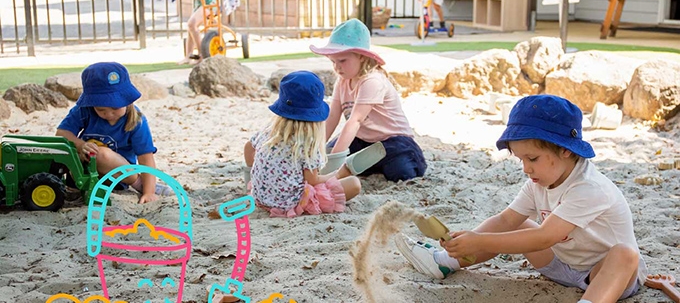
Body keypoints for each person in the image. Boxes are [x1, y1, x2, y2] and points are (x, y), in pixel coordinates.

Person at [395, 95, 647, 303]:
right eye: (520, 160)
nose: (526, 168)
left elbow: (545, 237)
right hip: (561, 266)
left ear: (566, 151)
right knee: (518, 224)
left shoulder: (590, 188)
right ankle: (443, 263)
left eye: (533, 159)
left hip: (607, 275)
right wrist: (467, 243)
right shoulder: (537, 182)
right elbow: (506, 220)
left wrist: (480, 241)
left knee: (625, 254)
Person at [309, 19, 427, 182]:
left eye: (342, 61)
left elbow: (355, 120)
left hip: (393, 140)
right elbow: (332, 117)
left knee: (401, 172)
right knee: (329, 152)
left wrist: (335, 160)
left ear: (362, 57)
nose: (337, 67)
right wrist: (318, 148)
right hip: (362, 140)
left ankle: (381, 164)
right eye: (333, 62)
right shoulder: (342, 81)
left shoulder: (372, 80)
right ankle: (367, 164)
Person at [244, 71, 362, 218]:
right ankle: (341, 175)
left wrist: (255, 176)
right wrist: (337, 175)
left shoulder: (269, 132)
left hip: (260, 198)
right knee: (354, 184)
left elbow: (248, 148)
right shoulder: (308, 144)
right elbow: (312, 181)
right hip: (291, 204)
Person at [56, 62, 166, 204]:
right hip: (82, 173)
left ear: (127, 100)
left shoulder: (136, 120)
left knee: (101, 154)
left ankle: (139, 184)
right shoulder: (84, 110)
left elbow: (146, 158)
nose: (109, 114)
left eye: (115, 107)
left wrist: (149, 192)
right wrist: (81, 145)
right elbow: (62, 133)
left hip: (118, 177)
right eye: (101, 110)